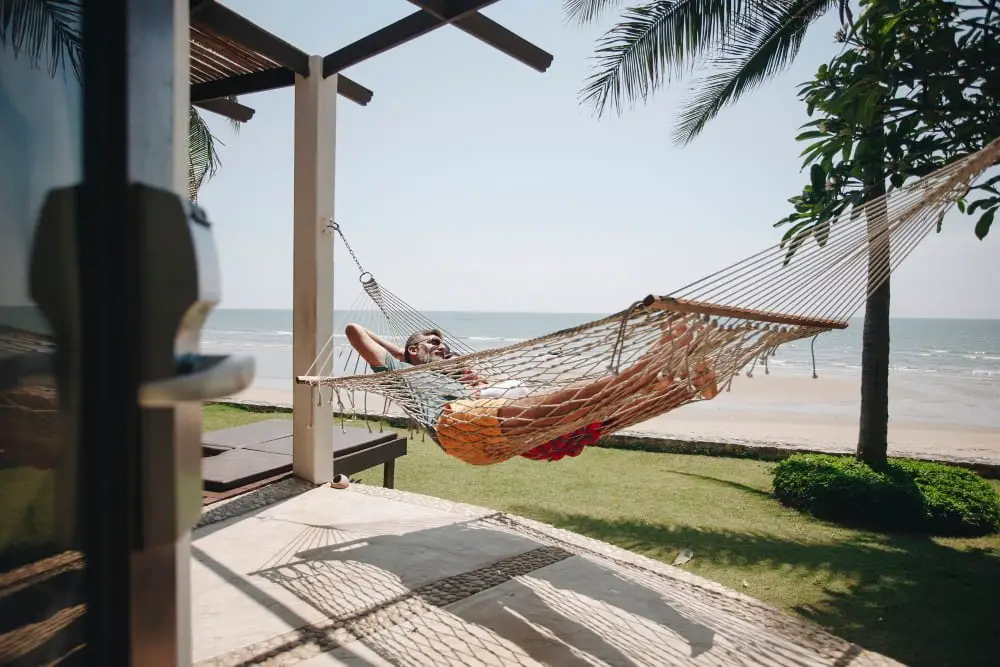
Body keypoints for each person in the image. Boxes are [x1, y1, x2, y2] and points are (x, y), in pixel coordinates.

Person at [343, 321, 718, 465]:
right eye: (434, 343)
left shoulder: (459, 380)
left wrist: (429, 354)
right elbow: (355, 330)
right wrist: (407, 357)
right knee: (577, 404)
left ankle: (682, 389)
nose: (443, 348)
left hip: (500, 440)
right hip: (460, 427)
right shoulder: (398, 376)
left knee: (591, 422)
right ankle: (652, 366)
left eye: (445, 345)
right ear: (410, 352)